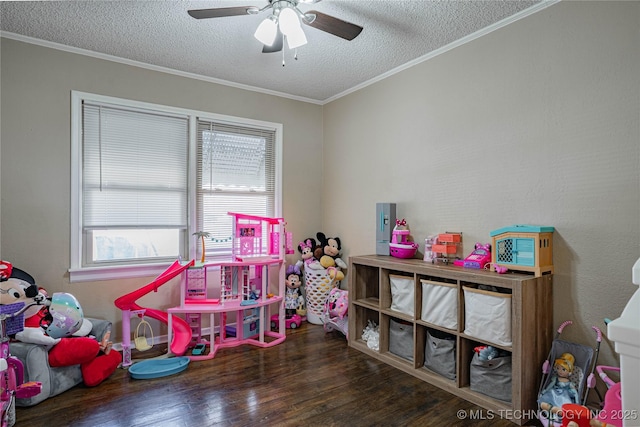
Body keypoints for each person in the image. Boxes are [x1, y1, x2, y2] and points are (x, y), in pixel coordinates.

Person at [538, 352, 580, 416]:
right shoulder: (556, 379)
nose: (560, 371)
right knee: (547, 398)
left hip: (564, 395)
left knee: (565, 400)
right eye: (558, 368)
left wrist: (577, 402)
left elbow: (575, 392)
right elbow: (551, 385)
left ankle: (559, 411)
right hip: (554, 392)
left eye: (563, 369)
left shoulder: (570, 383)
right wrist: (544, 391)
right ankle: (552, 409)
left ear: (569, 372)